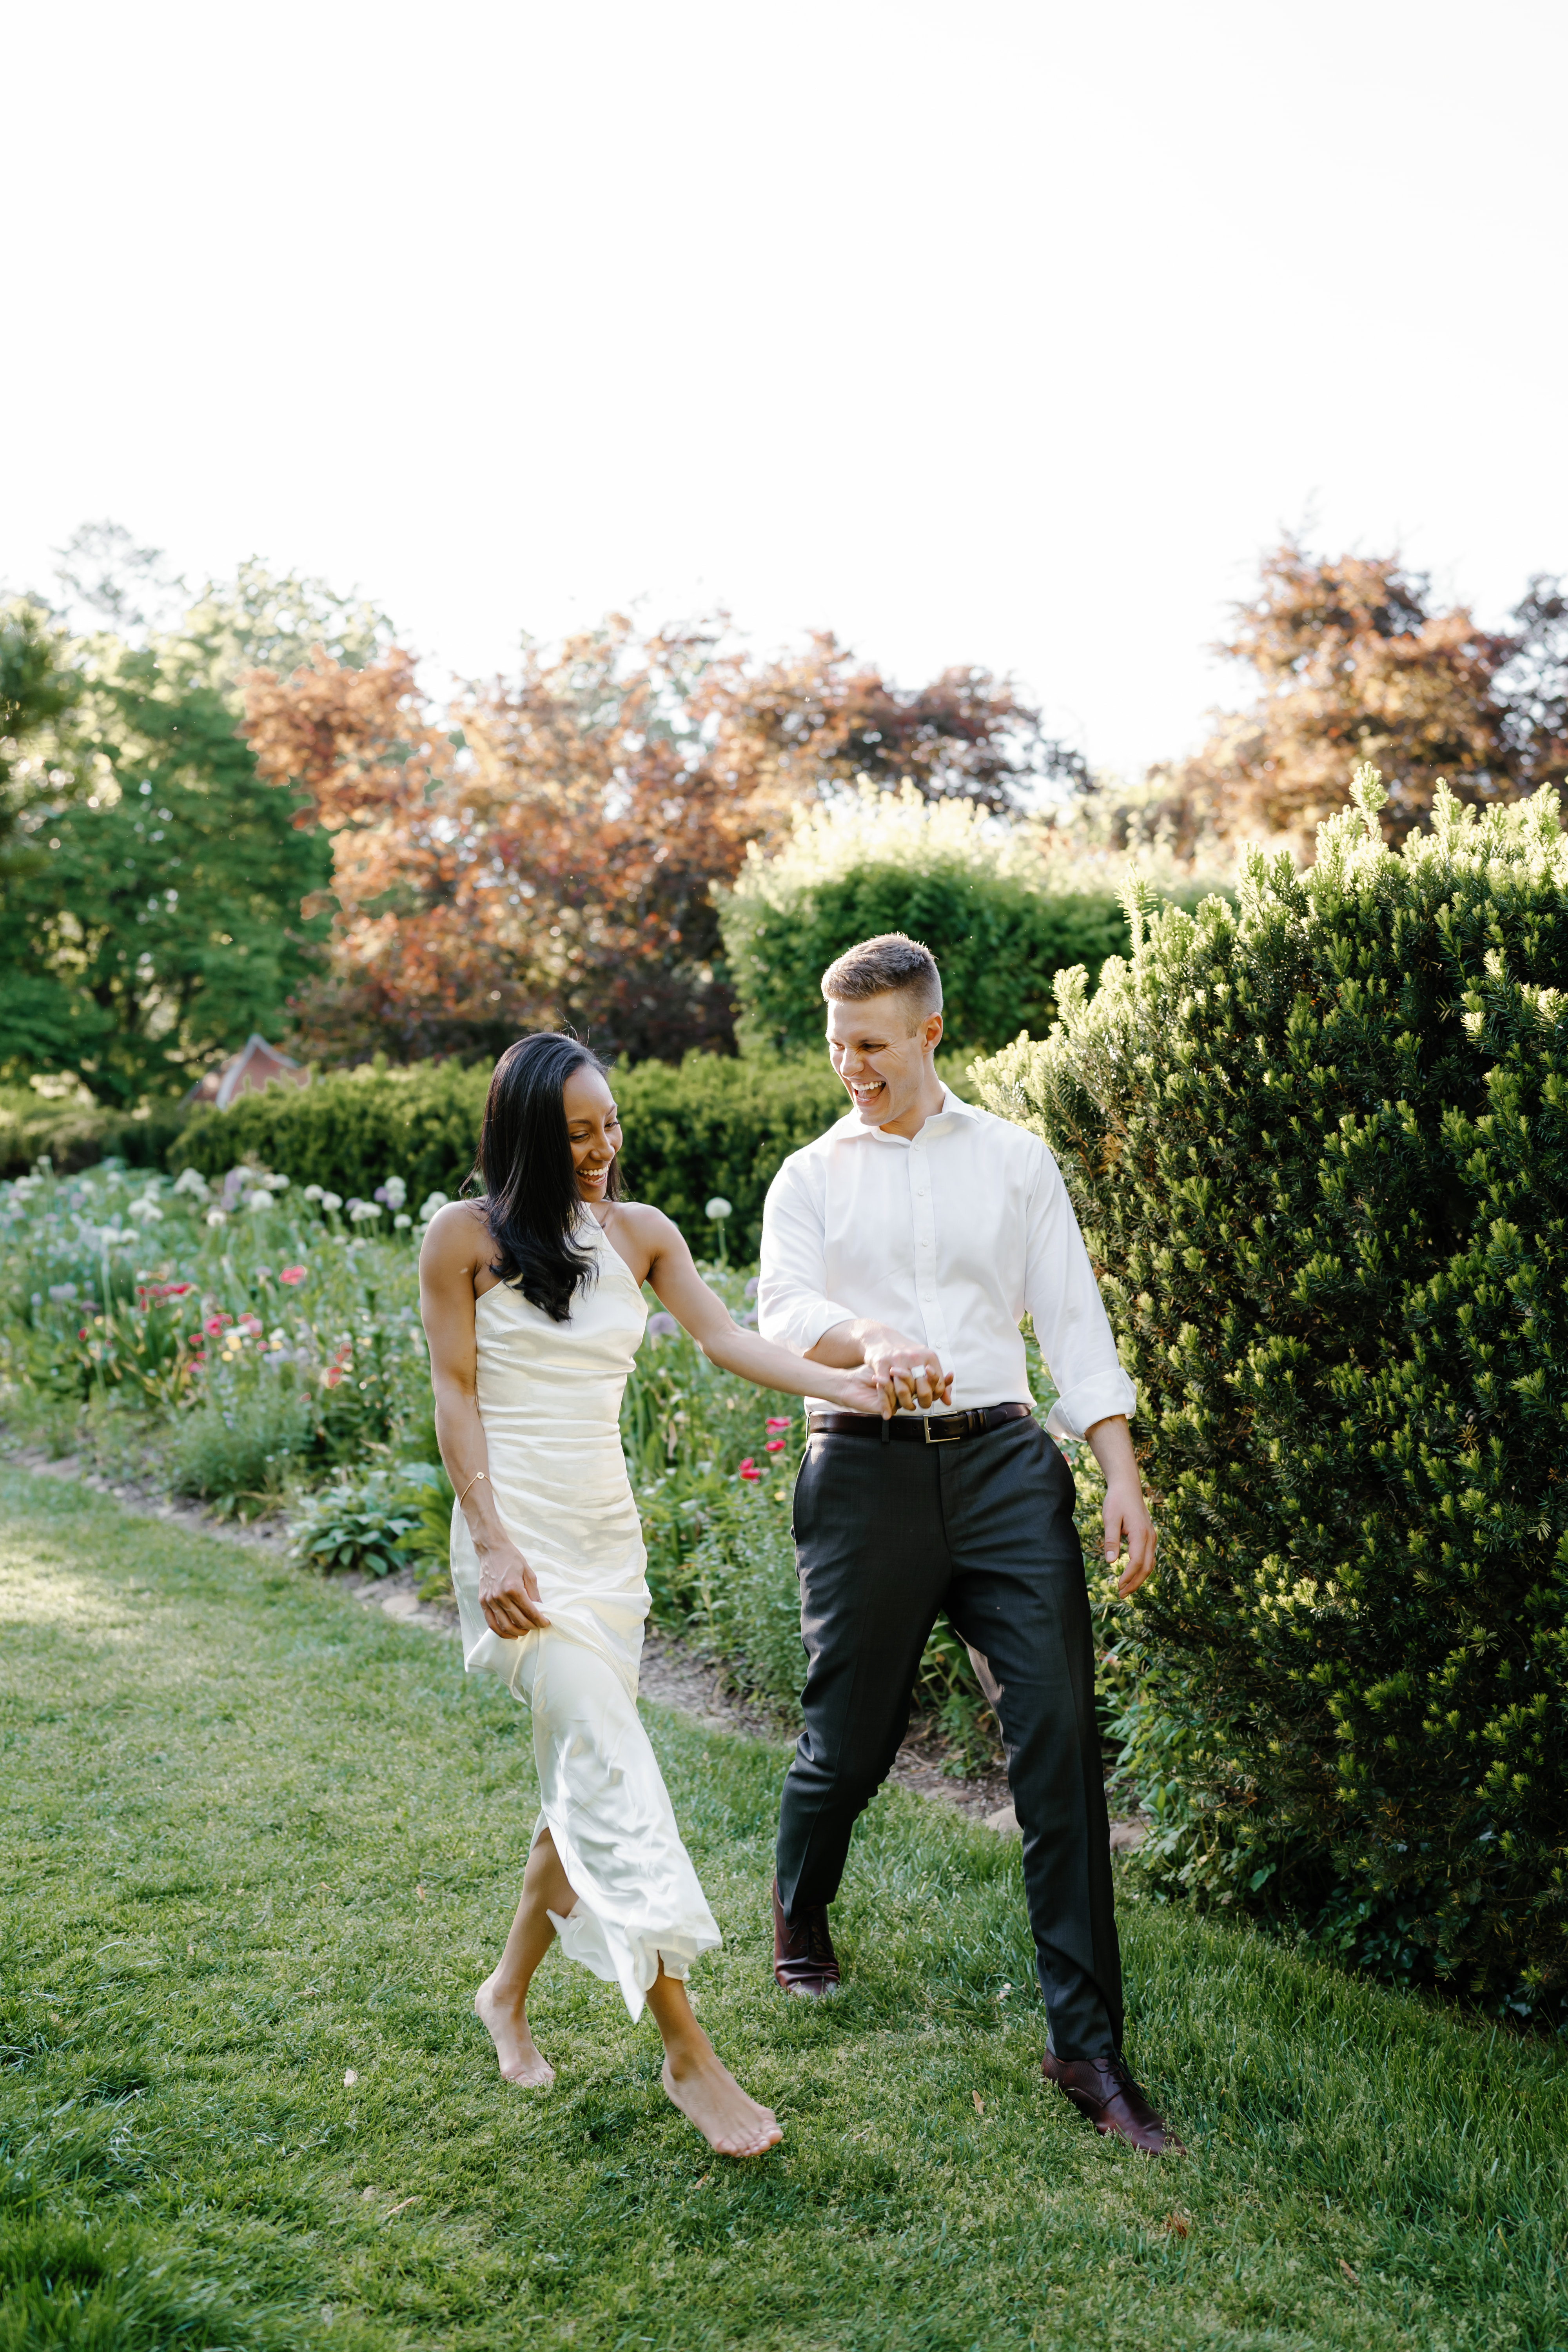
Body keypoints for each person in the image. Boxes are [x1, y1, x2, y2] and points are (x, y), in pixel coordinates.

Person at [418, 1031, 887, 2161]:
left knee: (585, 1770)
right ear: (526, 1133)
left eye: (610, 1126)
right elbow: (455, 1391)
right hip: (518, 1547)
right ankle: (688, 2049)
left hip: (606, 1548)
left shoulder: (641, 1237)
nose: (602, 1149)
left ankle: (504, 1992)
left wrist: (847, 1383)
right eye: (578, 1133)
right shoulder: (462, 1239)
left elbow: (729, 1337)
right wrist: (489, 1544)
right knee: (614, 1772)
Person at [757, 933, 1183, 2158]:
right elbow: (782, 1308)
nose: (853, 1069)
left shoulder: (1013, 1160)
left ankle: (1085, 2048)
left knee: (1057, 1743)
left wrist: (1118, 1470)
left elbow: (1075, 1320)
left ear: (930, 1034)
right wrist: (867, 1338)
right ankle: (801, 1913)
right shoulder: (810, 1177)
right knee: (849, 1741)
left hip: (1004, 1468)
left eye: (874, 1046)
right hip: (864, 1472)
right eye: (837, 1046)